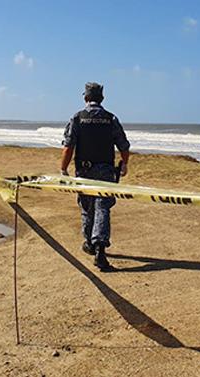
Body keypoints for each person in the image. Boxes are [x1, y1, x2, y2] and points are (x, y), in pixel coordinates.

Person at [60, 82, 130, 271]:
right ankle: (99, 247)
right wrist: (124, 164)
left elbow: (68, 146)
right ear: (102, 99)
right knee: (103, 207)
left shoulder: (77, 117)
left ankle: (91, 243)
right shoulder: (110, 118)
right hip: (106, 171)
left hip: (84, 170)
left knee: (87, 206)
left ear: (85, 98)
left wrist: (63, 169)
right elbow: (124, 145)